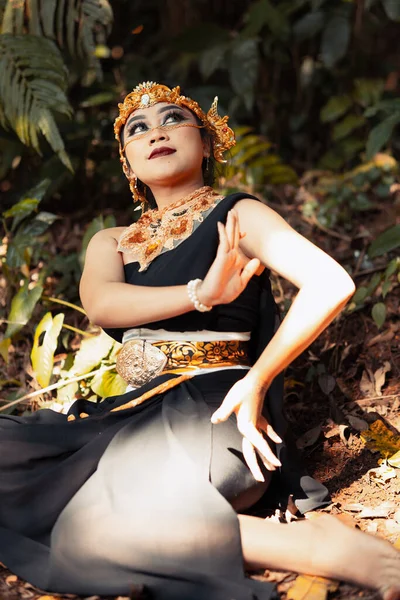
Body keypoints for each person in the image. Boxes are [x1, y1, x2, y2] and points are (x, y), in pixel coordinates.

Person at [0, 81, 399, 600]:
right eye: (137, 130)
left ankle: (336, 551)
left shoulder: (235, 215)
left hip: (214, 411)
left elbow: (332, 284)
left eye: (172, 120)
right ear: (128, 163)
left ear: (207, 144)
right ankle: (290, 539)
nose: (155, 132)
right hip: (126, 415)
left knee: (91, 534)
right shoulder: (111, 241)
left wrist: (257, 381)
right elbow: (102, 304)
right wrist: (199, 293)